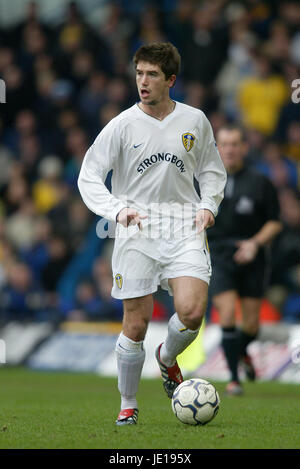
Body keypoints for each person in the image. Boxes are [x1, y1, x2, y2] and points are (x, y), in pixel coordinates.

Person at [78, 42, 227, 425]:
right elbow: (89, 176)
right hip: (137, 228)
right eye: (139, 73)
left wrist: (209, 204)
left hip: (184, 225)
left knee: (192, 312)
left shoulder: (194, 120)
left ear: (171, 80)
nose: (143, 81)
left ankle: (166, 357)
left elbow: (211, 169)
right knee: (136, 323)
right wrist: (116, 209)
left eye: (152, 75)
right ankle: (128, 403)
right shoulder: (122, 125)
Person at [208, 124, 282, 395]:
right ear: (217, 148)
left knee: (251, 326)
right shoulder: (206, 181)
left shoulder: (260, 183)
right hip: (219, 254)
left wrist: (254, 244)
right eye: (225, 144)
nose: (230, 149)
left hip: (254, 255)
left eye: (235, 143)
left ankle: (242, 353)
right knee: (226, 313)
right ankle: (233, 379)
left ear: (244, 148)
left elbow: (275, 222)